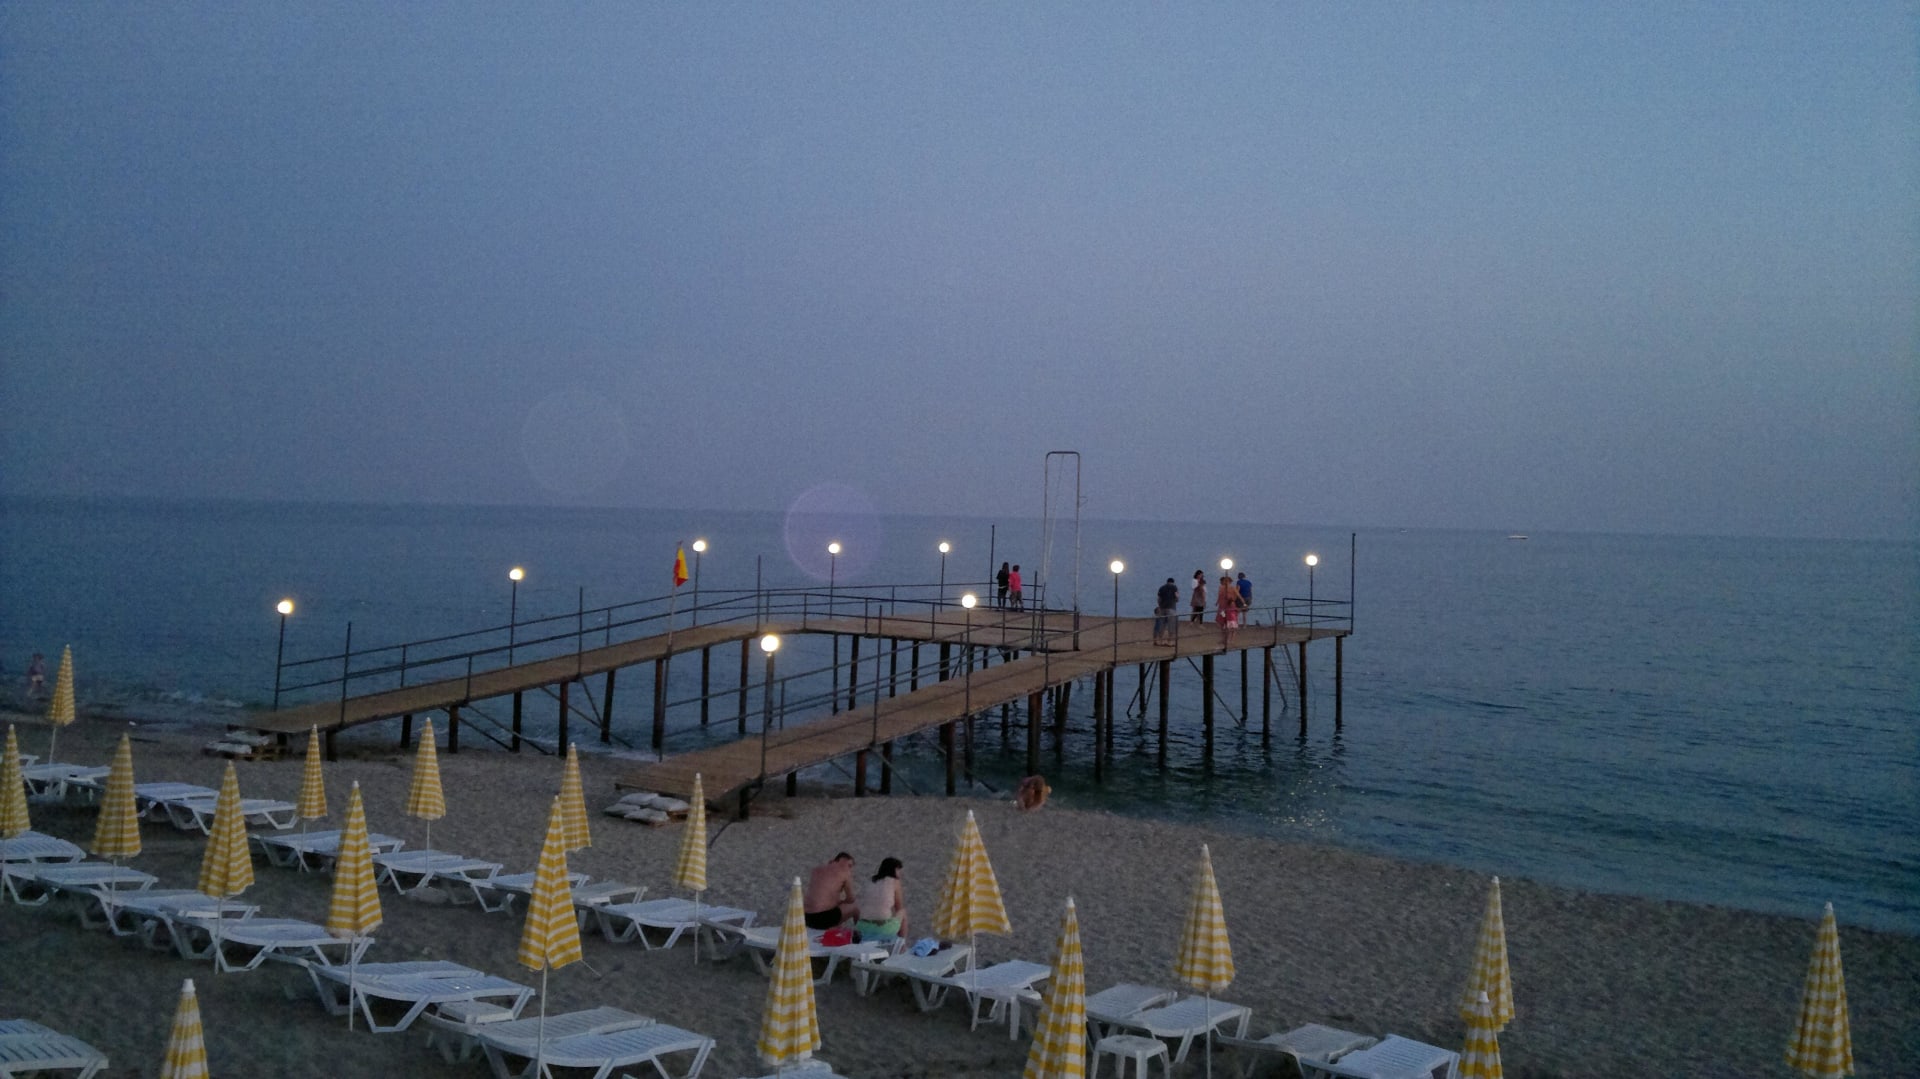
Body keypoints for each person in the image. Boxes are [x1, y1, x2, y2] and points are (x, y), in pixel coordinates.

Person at [854, 857, 907, 941]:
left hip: (863, 927)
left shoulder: (871, 880)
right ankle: (901, 944)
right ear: (893, 870)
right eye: (898, 870)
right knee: (902, 912)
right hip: (883, 929)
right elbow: (898, 907)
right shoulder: (895, 882)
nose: (900, 873)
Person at [804, 852, 857, 930]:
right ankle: (860, 933)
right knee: (856, 906)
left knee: (834, 907)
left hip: (806, 918)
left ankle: (833, 927)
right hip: (823, 919)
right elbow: (851, 899)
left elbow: (823, 895)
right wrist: (843, 901)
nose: (850, 869)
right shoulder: (845, 873)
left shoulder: (816, 869)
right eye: (850, 866)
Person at [1217, 574, 1242, 646]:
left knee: (1228, 625)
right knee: (1222, 623)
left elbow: (1236, 597)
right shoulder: (1222, 588)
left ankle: (1228, 639)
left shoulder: (1231, 589)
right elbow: (1220, 597)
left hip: (1227, 610)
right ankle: (1225, 639)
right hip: (1223, 609)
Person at [1154, 577, 1180, 645]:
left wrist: (1160, 606)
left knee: (1161, 625)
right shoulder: (1174, 587)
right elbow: (1177, 597)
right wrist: (1176, 600)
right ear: (1173, 582)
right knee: (1171, 625)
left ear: (1167, 582)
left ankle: (1160, 641)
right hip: (1171, 608)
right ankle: (1170, 642)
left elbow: (1159, 599)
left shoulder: (1161, 588)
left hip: (1162, 608)